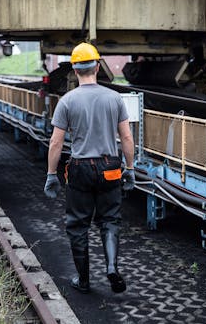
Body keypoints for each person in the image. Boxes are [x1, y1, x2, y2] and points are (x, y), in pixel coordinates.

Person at [43, 42, 135, 294]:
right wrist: (130, 168)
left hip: (80, 169)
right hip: (110, 168)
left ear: (74, 69)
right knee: (110, 221)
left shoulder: (67, 101)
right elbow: (126, 138)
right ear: (97, 65)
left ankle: (83, 280)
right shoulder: (114, 98)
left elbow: (56, 141)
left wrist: (52, 174)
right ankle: (112, 267)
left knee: (77, 225)